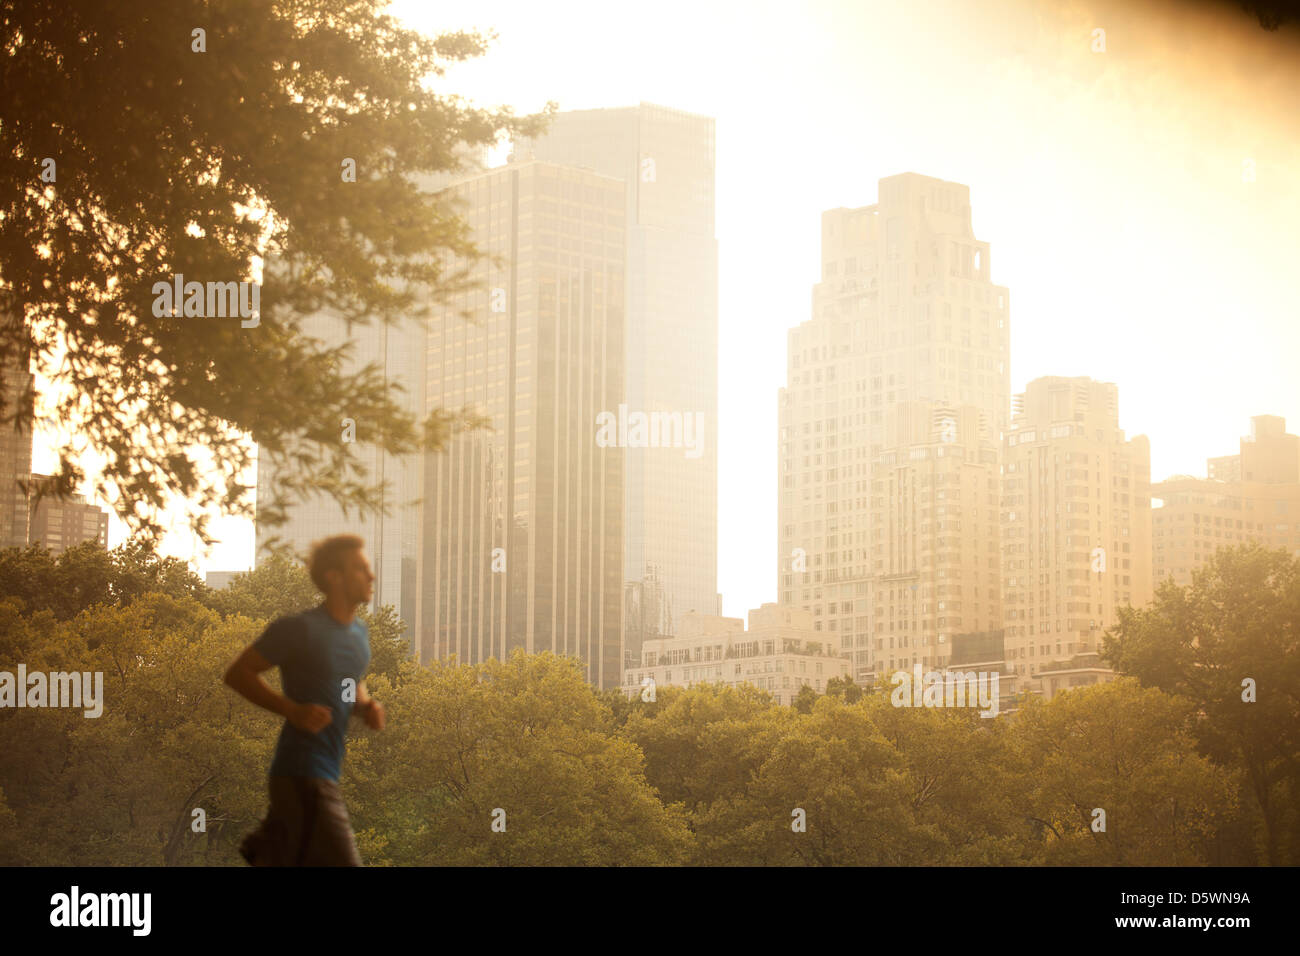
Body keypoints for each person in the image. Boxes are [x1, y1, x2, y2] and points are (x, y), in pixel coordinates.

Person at [224, 534, 386, 866]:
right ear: (334, 577)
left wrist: (364, 706)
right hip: (302, 772)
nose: (371, 577)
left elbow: (348, 683)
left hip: (323, 770)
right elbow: (238, 673)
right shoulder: (299, 629)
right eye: (360, 569)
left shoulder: (359, 635)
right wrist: (292, 710)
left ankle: (269, 847)